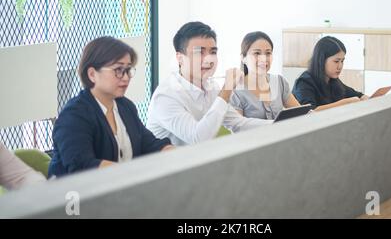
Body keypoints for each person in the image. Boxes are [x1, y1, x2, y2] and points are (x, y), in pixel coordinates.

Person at [49, 37, 173, 177]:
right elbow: (83, 165)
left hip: (121, 190)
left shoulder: (125, 106)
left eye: (128, 70)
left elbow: (150, 145)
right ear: (92, 74)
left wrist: (182, 155)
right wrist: (133, 173)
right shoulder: (74, 115)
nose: (126, 78)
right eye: (118, 70)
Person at [147, 22, 272, 146]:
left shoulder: (211, 86)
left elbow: (238, 124)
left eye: (212, 52)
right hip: (172, 164)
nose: (209, 59)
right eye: (199, 53)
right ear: (180, 58)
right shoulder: (166, 96)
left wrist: (282, 122)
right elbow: (198, 138)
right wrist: (226, 90)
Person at [230, 32, 301, 120]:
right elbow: (238, 127)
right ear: (243, 58)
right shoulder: (236, 91)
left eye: (268, 53)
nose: (264, 59)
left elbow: (300, 113)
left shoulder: (279, 81)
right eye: (257, 53)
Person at [292, 36, 369, 111]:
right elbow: (310, 112)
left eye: (342, 61)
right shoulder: (304, 82)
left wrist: (366, 99)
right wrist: (345, 103)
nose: (340, 66)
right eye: (336, 61)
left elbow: (357, 95)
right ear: (321, 60)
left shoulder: (332, 80)